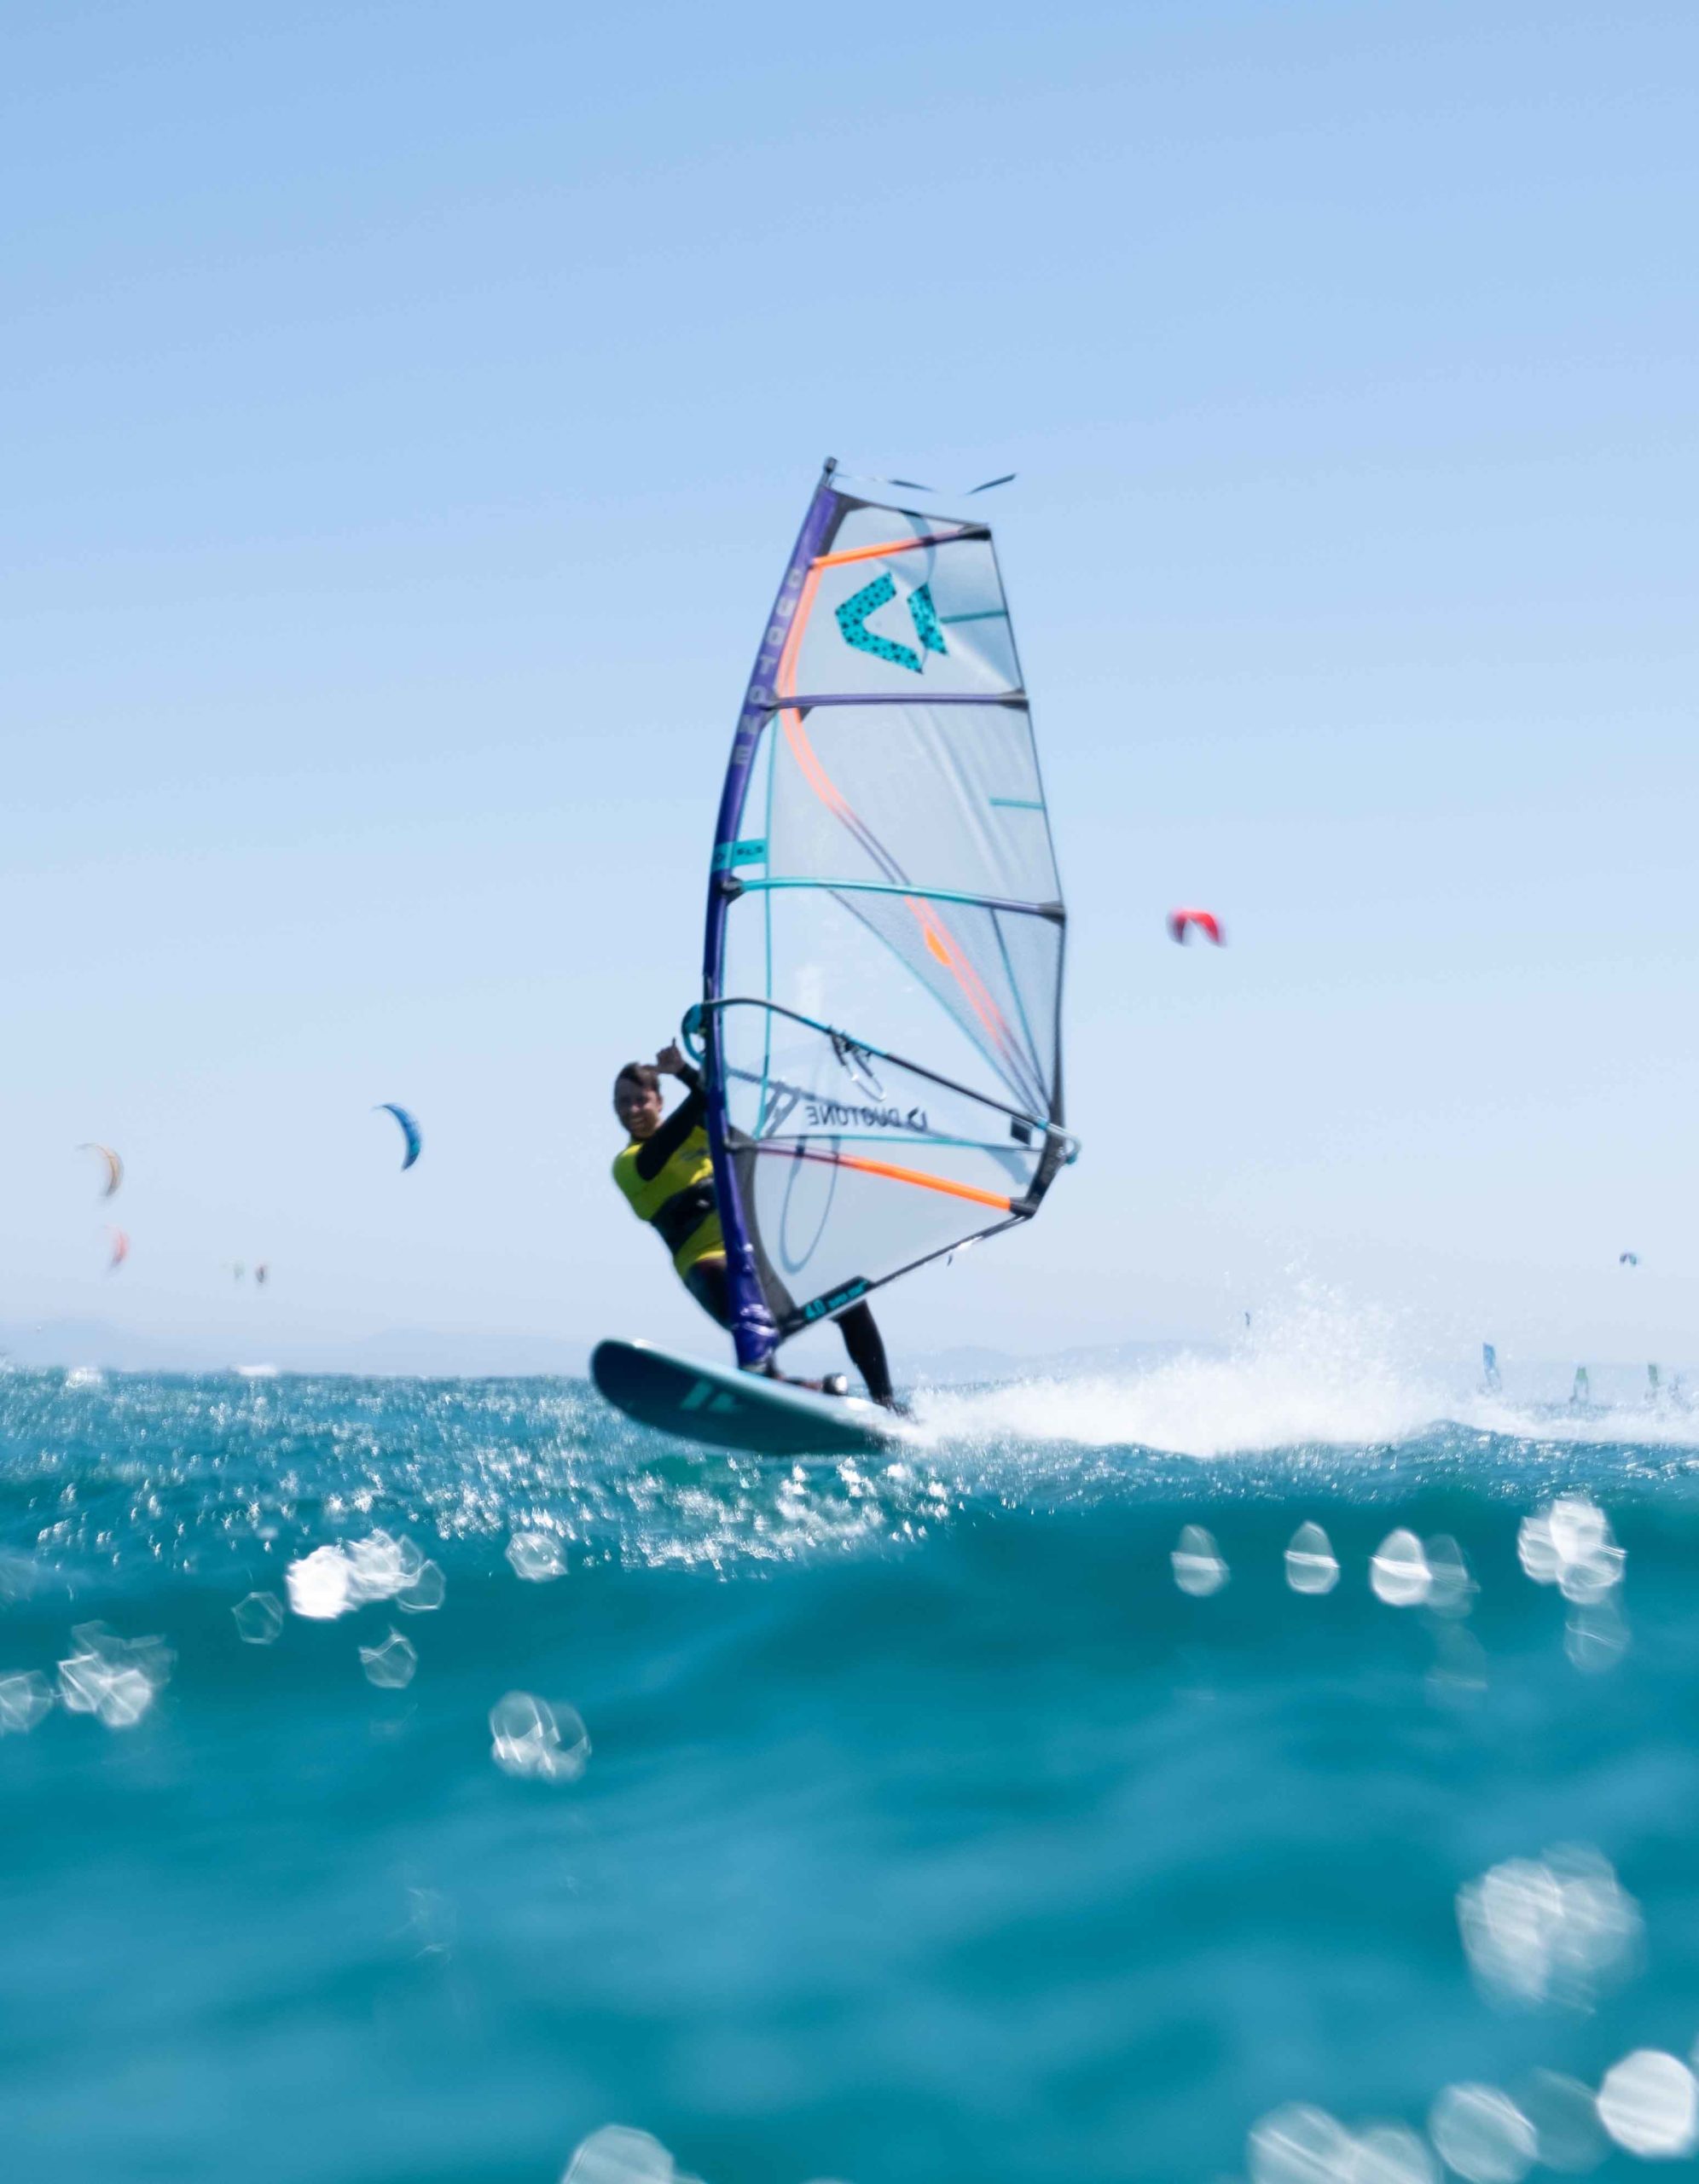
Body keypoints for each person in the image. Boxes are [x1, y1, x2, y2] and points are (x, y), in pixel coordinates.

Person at [612, 1043, 898, 1408]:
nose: (632, 1110)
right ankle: (808, 1390)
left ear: (659, 1102)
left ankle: (885, 1402)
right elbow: (683, 1124)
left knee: (850, 1302)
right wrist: (691, 1078)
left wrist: (687, 1072)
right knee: (753, 1337)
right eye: (623, 1102)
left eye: (640, 1100)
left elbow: (719, 1102)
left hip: (759, 1252)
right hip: (708, 1264)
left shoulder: (703, 1133)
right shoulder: (629, 1164)